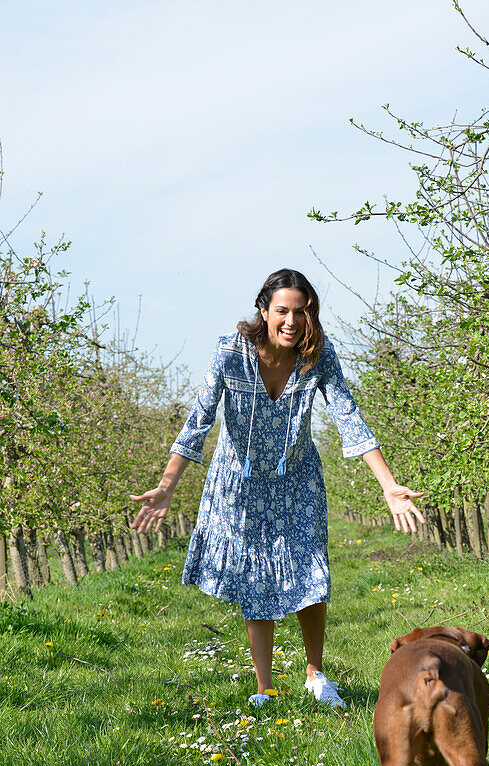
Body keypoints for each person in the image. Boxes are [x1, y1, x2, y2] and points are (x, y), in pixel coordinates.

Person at [131, 268, 424, 708]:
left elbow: (348, 416)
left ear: (312, 315)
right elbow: (199, 420)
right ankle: (264, 688)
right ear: (263, 311)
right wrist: (167, 486)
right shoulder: (230, 352)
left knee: (311, 572)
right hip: (241, 483)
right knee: (255, 579)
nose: (292, 321)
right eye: (282, 311)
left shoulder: (318, 357)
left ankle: (316, 675)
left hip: (297, 478)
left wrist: (387, 484)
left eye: (301, 312)